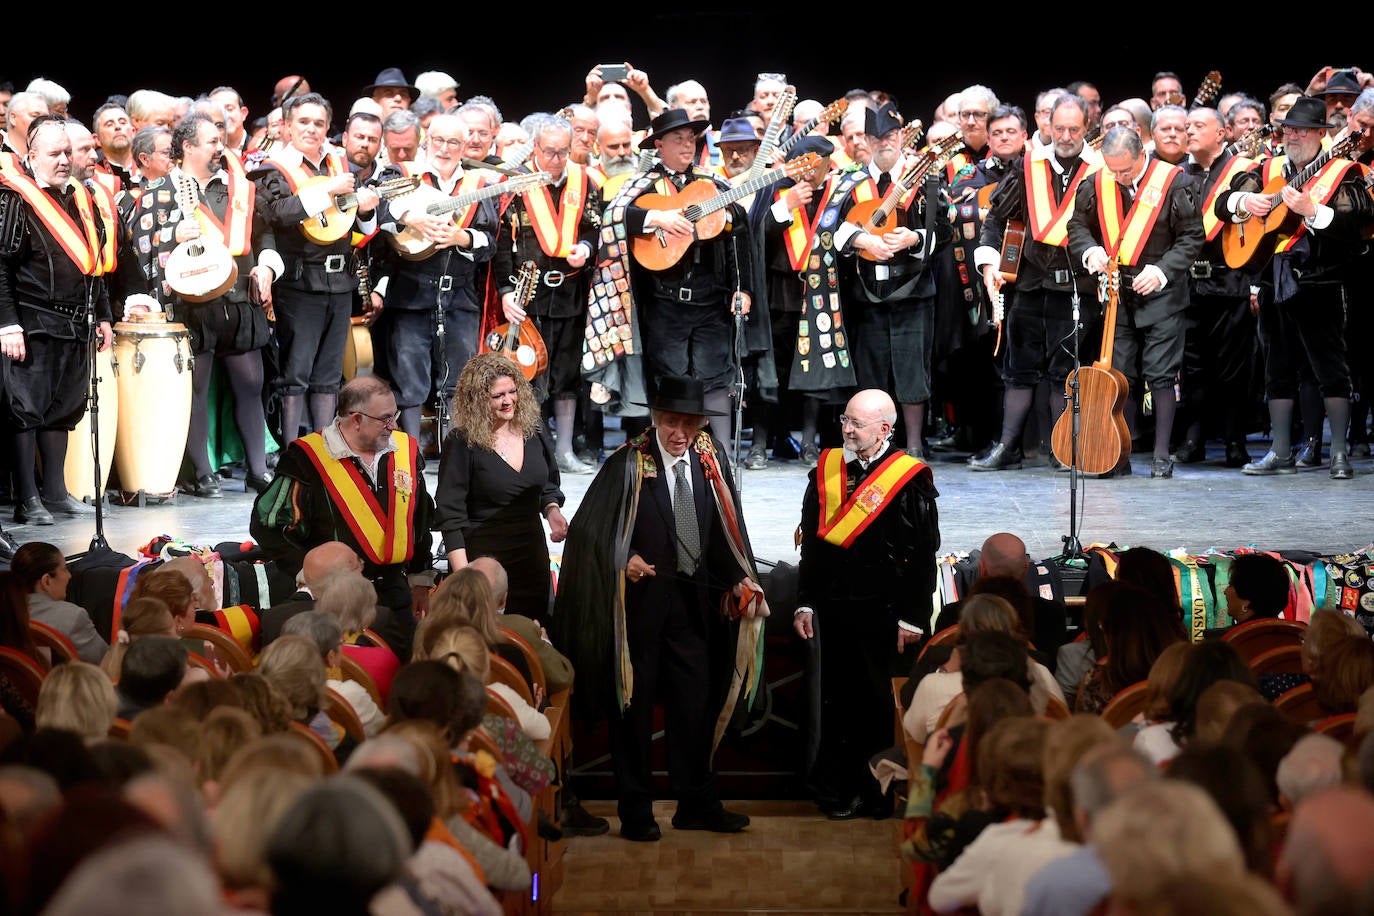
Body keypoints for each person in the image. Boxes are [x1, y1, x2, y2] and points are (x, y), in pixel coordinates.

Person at [552, 375, 765, 842]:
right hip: (638, 617)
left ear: (701, 423)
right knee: (634, 716)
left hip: (693, 613)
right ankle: (637, 813)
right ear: (656, 418)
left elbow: (727, 531)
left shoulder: (711, 460)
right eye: (671, 421)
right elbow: (588, 535)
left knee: (695, 710)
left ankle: (697, 803)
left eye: (689, 423)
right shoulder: (627, 464)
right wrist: (621, 559)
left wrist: (741, 579)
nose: (679, 433)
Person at [794, 388, 940, 818]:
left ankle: (875, 793)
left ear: (884, 430)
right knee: (836, 701)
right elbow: (813, 548)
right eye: (845, 420)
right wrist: (805, 602)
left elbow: (922, 553)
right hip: (835, 608)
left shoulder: (908, 479)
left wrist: (914, 617)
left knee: (874, 703)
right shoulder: (828, 470)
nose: (847, 430)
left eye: (856, 424)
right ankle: (837, 788)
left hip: (885, 613)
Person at [1216, 96, 1373, 480]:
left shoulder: (1342, 170)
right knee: (1276, 364)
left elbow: (1360, 224)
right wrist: (1243, 200)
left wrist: (1312, 211)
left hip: (1320, 278)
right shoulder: (1267, 168)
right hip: (1272, 278)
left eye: (1303, 129)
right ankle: (1280, 450)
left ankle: (1338, 452)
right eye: (1289, 128)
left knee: (1329, 366)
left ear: (1322, 134)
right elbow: (1222, 204)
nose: (1294, 135)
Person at [127, 111, 277, 498]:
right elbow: (140, 250)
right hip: (190, 305)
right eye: (211, 141)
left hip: (239, 299)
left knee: (251, 384)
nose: (219, 148)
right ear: (188, 147)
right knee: (196, 389)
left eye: (221, 140)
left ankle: (258, 471)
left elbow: (264, 235)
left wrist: (265, 266)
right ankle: (202, 472)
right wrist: (173, 235)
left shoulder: (237, 189)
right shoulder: (161, 192)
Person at [250, 375, 435, 659]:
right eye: (385, 419)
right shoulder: (307, 458)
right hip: (333, 604)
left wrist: (420, 578)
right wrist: (309, 573)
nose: (394, 425)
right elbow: (268, 525)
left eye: (394, 415)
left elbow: (419, 518)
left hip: (395, 595)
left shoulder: (404, 450)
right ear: (356, 420)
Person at [973, 95, 1101, 472]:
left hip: (1076, 288)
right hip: (1028, 287)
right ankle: (1008, 448)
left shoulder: (1099, 170)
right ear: (1046, 126)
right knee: (1018, 371)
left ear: (1086, 128)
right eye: (1058, 128)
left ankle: (1065, 450)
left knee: (1067, 374)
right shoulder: (1027, 166)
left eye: (1073, 129)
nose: (1064, 135)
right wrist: (989, 263)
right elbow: (995, 220)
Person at [1067, 126, 1203, 478]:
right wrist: (1090, 251)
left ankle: (1161, 454)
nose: (1119, 176)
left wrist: (1162, 271)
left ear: (1142, 154)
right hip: (1117, 294)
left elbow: (1192, 237)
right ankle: (1118, 454)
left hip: (1162, 291)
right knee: (1120, 376)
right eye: (1113, 170)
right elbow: (1077, 226)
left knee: (1160, 374)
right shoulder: (1098, 182)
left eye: (1125, 170)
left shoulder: (1175, 182)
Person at [0, 117, 115, 526]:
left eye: (68, 152)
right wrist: (7, 323)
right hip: (32, 322)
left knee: (63, 409)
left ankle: (55, 491)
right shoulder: (15, 198)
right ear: (31, 156)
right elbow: (0, 267)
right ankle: (26, 499)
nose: (65, 160)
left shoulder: (82, 198)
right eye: (55, 154)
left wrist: (102, 314)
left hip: (76, 321)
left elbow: (95, 264)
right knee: (24, 410)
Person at [251, 92, 378, 442]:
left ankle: (323, 453)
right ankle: (294, 453)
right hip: (298, 281)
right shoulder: (272, 168)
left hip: (339, 282)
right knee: (295, 374)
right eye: (303, 122)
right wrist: (329, 192)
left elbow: (360, 224)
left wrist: (366, 209)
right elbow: (278, 214)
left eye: (319, 123)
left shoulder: (339, 164)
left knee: (328, 375)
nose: (311, 129)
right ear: (288, 126)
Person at [835, 103, 952, 457]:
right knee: (871, 371)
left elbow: (945, 230)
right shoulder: (852, 182)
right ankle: (868, 448)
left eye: (890, 136)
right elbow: (833, 231)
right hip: (867, 294)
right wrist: (863, 240)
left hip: (913, 292)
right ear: (867, 141)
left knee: (912, 370)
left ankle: (914, 445)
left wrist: (914, 239)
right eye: (876, 137)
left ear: (900, 137)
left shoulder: (926, 177)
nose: (884, 143)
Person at [372, 112, 498, 439]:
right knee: (409, 379)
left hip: (460, 296)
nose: (444, 148)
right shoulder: (403, 173)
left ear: (464, 146)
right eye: (438, 140)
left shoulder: (479, 185)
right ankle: (411, 451)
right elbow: (381, 209)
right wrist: (412, 217)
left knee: (459, 378)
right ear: (427, 142)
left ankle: (455, 454)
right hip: (410, 294)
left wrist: (463, 238)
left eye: (453, 142)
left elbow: (491, 240)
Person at [492, 114, 603, 473]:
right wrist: (505, 290)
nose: (556, 159)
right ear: (535, 148)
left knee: (567, 375)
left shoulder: (586, 182)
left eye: (563, 152)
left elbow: (595, 228)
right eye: (549, 151)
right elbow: (501, 245)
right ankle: (530, 449)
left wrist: (586, 248)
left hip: (571, 291)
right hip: (527, 295)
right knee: (526, 374)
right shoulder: (515, 183)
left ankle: (565, 451)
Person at [434, 353, 566, 620]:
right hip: (484, 564)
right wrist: (465, 577)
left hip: (531, 556)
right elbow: (451, 516)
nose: (508, 401)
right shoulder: (462, 441)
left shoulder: (532, 430)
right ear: (478, 400)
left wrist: (553, 512)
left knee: (532, 638)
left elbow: (548, 484)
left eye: (512, 391)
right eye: (498, 396)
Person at [10, 542, 107, 664]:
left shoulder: (6, 613)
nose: (69, 576)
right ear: (46, 581)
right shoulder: (72, 617)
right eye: (64, 569)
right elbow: (106, 663)